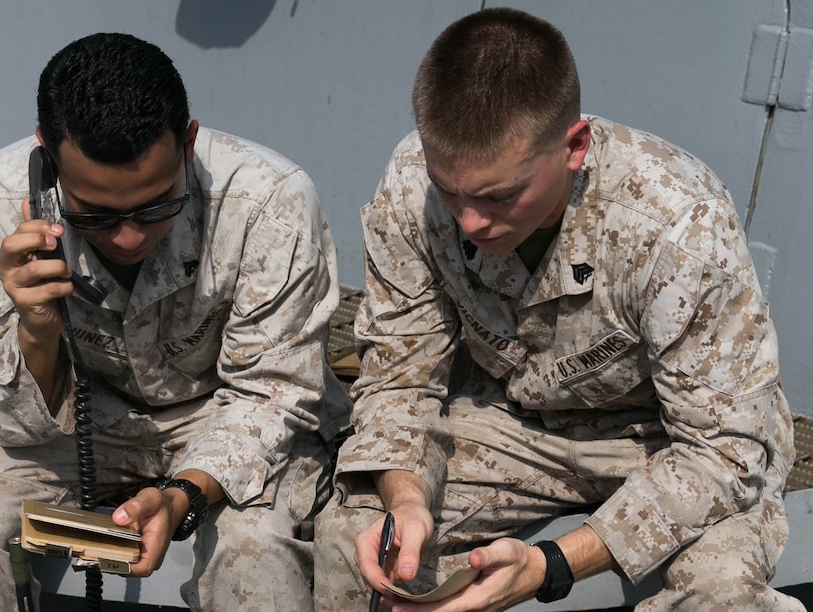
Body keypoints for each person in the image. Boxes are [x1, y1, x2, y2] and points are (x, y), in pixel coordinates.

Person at [313, 8, 802, 611]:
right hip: (517, 424)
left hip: (669, 442)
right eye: (452, 191)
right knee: (356, 541)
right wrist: (407, 499)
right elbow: (399, 377)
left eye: (499, 196)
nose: (469, 221)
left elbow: (724, 451)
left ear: (574, 147)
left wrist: (551, 566)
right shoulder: (414, 184)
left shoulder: (677, 226)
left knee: (721, 594)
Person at [0, 33, 351, 611]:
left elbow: (274, 393)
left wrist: (183, 495)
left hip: (224, 410)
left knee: (256, 545)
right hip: (79, 416)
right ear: (47, 155)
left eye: (156, 204)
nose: (128, 236)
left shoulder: (269, 200)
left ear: (188, 144)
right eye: (95, 213)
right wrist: (35, 332)